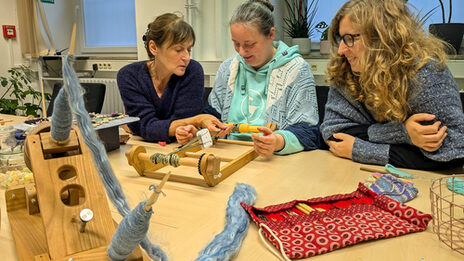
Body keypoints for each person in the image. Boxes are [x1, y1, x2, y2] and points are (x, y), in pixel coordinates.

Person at [320, 0, 464, 170]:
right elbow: (335, 135)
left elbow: (453, 151)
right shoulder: (345, 70)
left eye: (350, 38)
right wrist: (403, 133)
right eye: (340, 39)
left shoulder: (425, 72)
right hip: (358, 175)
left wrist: (362, 149)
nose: (341, 50)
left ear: (381, 37)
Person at [176, 0, 321, 157]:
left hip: (274, 161)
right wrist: (199, 131)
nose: (242, 52)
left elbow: (309, 133)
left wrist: (278, 141)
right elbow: (212, 117)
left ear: (271, 34)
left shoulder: (296, 70)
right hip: (228, 155)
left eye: (249, 44)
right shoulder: (228, 69)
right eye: (236, 44)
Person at [118, 13, 220, 142]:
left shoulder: (192, 71)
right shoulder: (129, 76)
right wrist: (196, 120)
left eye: (189, 49)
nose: (187, 57)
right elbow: (144, 127)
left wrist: (159, 128)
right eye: (178, 50)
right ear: (154, 47)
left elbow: (185, 129)